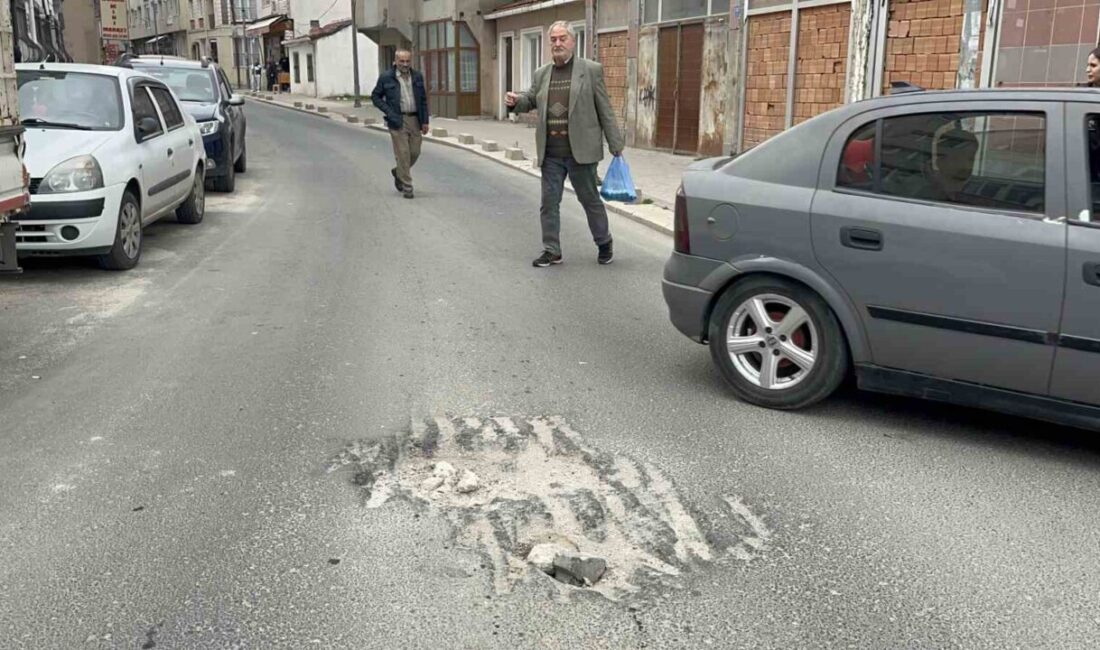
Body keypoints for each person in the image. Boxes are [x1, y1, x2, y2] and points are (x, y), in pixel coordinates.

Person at [506, 21, 624, 267]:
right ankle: (552, 250)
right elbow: (531, 99)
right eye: (553, 40)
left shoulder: (590, 70)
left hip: (580, 151)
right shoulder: (542, 73)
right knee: (549, 203)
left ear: (572, 41)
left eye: (562, 39)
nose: (557, 44)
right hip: (551, 153)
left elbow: (605, 109)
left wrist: (616, 144)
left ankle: (604, 242)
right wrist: (516, 101)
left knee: (589, 200)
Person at [371, 50, 430, 199]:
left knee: (415, 152)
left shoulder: (417, 76)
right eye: (402, 61)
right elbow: (375, 97)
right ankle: (407, 185)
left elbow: (422, 100)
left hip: (415, 119)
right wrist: (389, 113)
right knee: (403, 154)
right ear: (396, 61)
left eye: (407, 61)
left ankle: (398, 172)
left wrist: (425, 121)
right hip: (397, 120)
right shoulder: (386, 78)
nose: (405, 64)